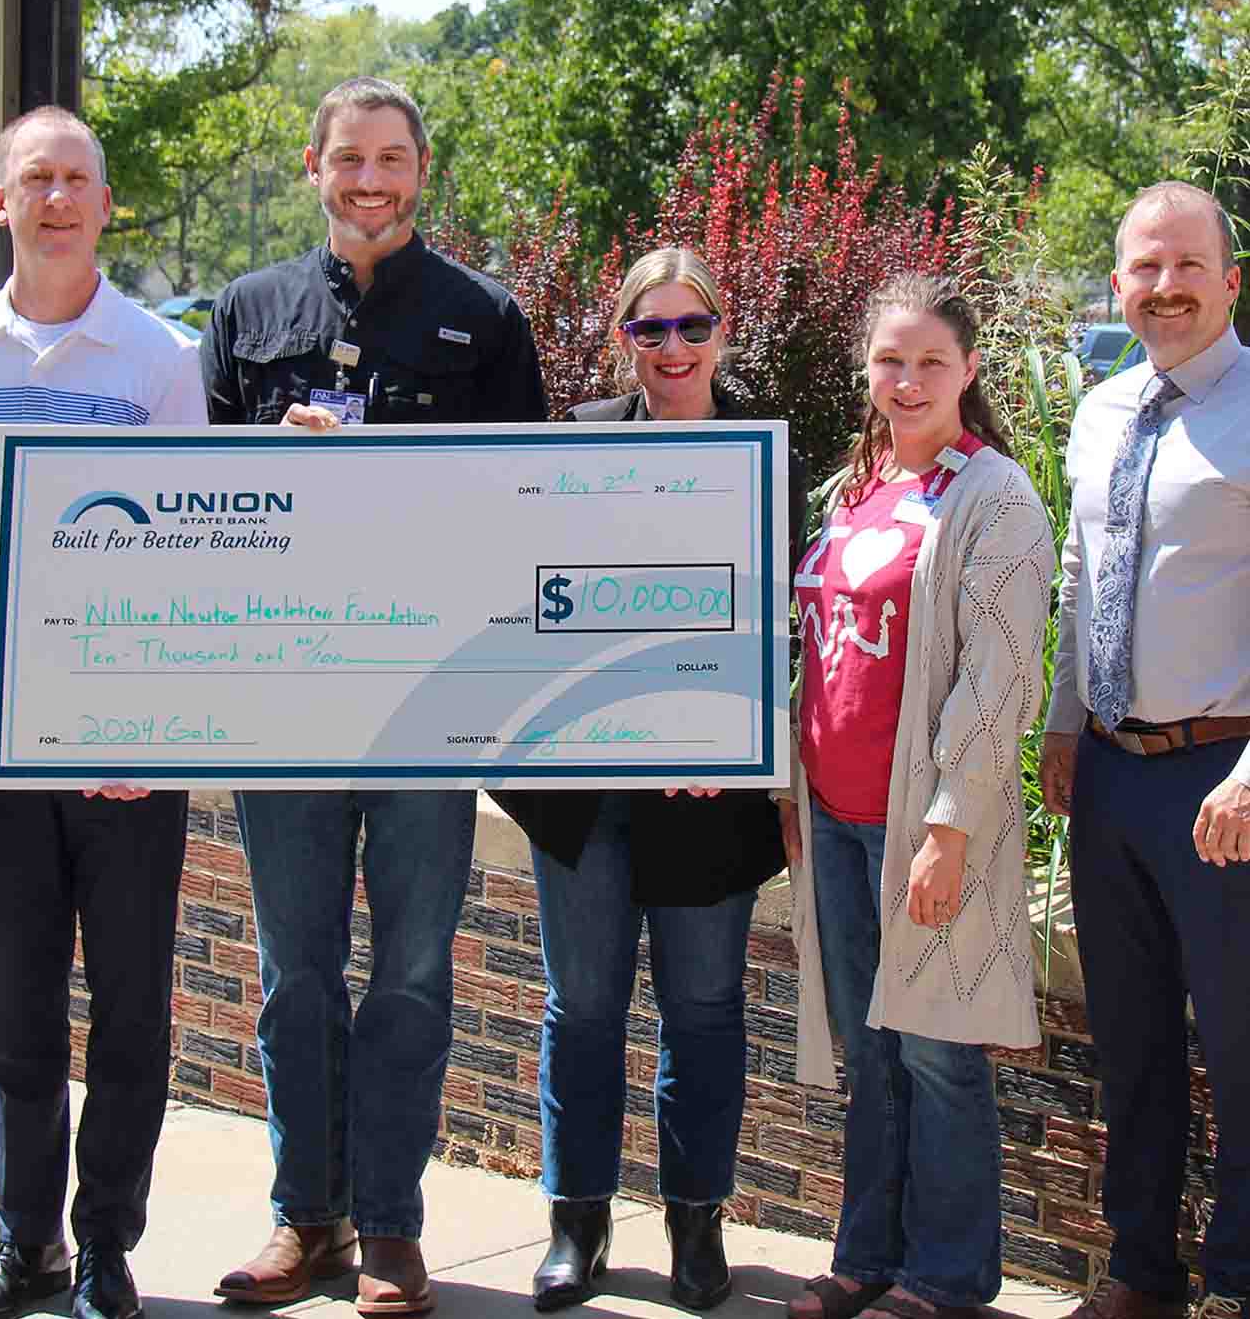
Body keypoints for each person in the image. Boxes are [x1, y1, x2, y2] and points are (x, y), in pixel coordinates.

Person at [201, 76, 547, 1315]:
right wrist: (263, 457)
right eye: (350, 158)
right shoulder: (245, 315)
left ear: (421, 168)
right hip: (286, 708)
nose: (371, 180)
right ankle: (309, 1222)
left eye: (392, 159)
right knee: (295, 973)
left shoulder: (485, 320)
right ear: (315, 166)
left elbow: (529, 515)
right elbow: (198, 513)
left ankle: (392, 1231)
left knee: (408, 974)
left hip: (423, 709)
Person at [0, 106, 207, 1319]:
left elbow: (191, 543)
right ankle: (24, 1241)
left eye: (78, 178)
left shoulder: (158, 359)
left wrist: (158, 718)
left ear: (106, 203)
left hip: (127, 711)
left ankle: (108, 1247)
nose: (59, 198)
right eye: (36, 178)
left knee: (132, 995)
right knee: (17, 996)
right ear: (1, 201)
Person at [493, 247, 805, 1313]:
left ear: (724, 332)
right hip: (584, 795)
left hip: (709, 799)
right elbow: (534, 608)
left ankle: (696, 1223)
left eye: (691, 327)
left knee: (706, 1011)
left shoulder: (769, 454)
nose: (672, 349)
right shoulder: (574, 443)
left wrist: (723, 736)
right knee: (581, 1009)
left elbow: (777, 627)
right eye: (649, 329)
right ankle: (575, 1221)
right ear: (620, 339)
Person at [785, 273, 1052, 1319]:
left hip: (928, 827)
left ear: (969, 369)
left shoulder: (995, 496)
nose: (907, 381)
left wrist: (950, 826)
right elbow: (824, 651)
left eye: (930, 362)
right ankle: (867, 1257)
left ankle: (945, 1281)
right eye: (890, 361)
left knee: (939, 1055)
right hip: (838, 821)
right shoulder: (859, 486)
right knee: (874, 1050)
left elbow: (999, 682)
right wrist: (792, 791)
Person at [1040, 182, 1250, 1319]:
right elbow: (1085, 580)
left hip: (1226, 783)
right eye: (1143, 268)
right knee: (1132, 1045)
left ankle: (1239, 1279)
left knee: (1241, 1048)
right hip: (1112, 777)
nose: (1164, 288)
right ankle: (1140, 1271)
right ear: (1119, 282)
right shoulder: (1103, 409)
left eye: (1186, 266)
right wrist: (1064, 724)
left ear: (1230, 278)